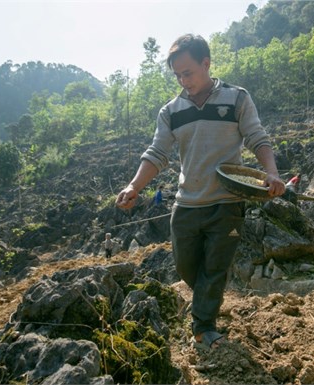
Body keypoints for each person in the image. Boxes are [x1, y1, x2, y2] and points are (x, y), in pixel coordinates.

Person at [115, 34, 285, 349]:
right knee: (187, 267)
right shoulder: (170, 111)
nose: (183, 80)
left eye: (188, 72)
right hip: (186, 205)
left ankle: (203, 327)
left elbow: (257, 138)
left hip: (227, 204)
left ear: (206, 63)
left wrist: (272, 174)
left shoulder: (237, 99)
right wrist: (134, 186)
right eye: (178, 75)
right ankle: (208, 302)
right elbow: (157, 153)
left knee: (215, 268)